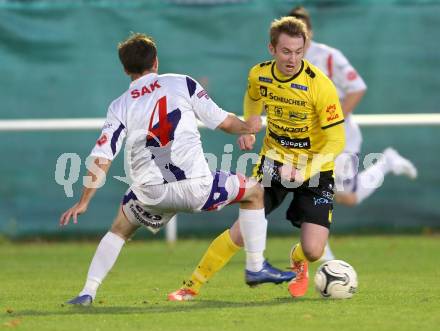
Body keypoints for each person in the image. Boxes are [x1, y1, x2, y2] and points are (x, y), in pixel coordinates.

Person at [60, 33, 294, 306]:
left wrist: (84, 201)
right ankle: (255, 266)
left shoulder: (120, 105)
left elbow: (102, 155)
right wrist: (246, 128)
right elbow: (222, 121)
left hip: (151, 194)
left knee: (119, 230)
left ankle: (88, 291)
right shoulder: (181, 83)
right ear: (156, 61)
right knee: (254, 192)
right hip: (197, 188)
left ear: (125, 69)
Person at [168, 16, 345, 301]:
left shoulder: (320, 86)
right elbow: (253, 97)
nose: (293, 58)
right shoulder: (259, 74)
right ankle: (192, 286)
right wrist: (251, 124)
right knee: (240, 233)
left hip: (316, 170)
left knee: (313, 250)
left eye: (299, 52)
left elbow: (337, 140)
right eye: (286, 51)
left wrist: (304, 170)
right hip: (273, 163)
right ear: (272, 49)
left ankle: (298, 261)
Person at [288, 6, 417, 261]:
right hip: (309, 140)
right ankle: (387, 162)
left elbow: (357, 88)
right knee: (346, 195)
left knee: (324, 188)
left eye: (300, 32)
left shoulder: (328, 57)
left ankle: (321, 252)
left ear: (309, 31)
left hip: (340, 138)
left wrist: (331, 122)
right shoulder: (286, 62)